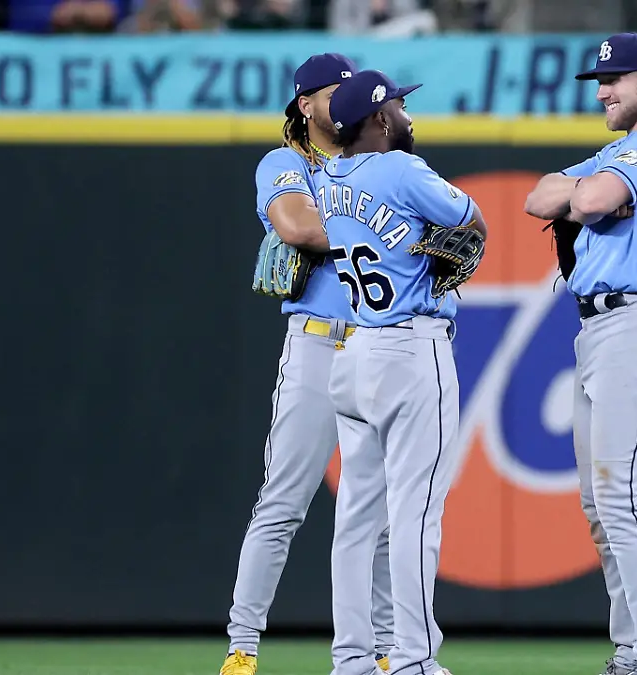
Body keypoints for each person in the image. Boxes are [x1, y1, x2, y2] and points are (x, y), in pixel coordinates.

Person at [523, 33, 637, 675]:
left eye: (616, 78)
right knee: (601, 505)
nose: (603, 89)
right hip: (598, 327)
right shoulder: (622, 150)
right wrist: (595, 188)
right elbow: (537, 197)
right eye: (600, 78)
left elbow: (588, 199)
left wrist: (594, 190)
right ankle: (635, 648)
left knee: (622, 496)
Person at [224, 54, 394, 675]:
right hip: (319, 343)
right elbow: (296, 225)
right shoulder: (288, 162)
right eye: (333, 92)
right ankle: (242, 649)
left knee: (376, 511)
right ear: (305, 105)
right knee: (284, 501)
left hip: (381, 343)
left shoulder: (377, 161)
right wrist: (381, 226)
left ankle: (382, 651)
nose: (346, 99)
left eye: (353, 89)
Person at [313, 69, 487, 675]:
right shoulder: (406, 170)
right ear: (381, 119)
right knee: (416, 513)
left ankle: (352, 660)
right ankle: (412, 660)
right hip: (410, 350)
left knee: (356, 520)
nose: (408, 114)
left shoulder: (327, 178)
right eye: (401, 107)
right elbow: (475, 221)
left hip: (354, 351)